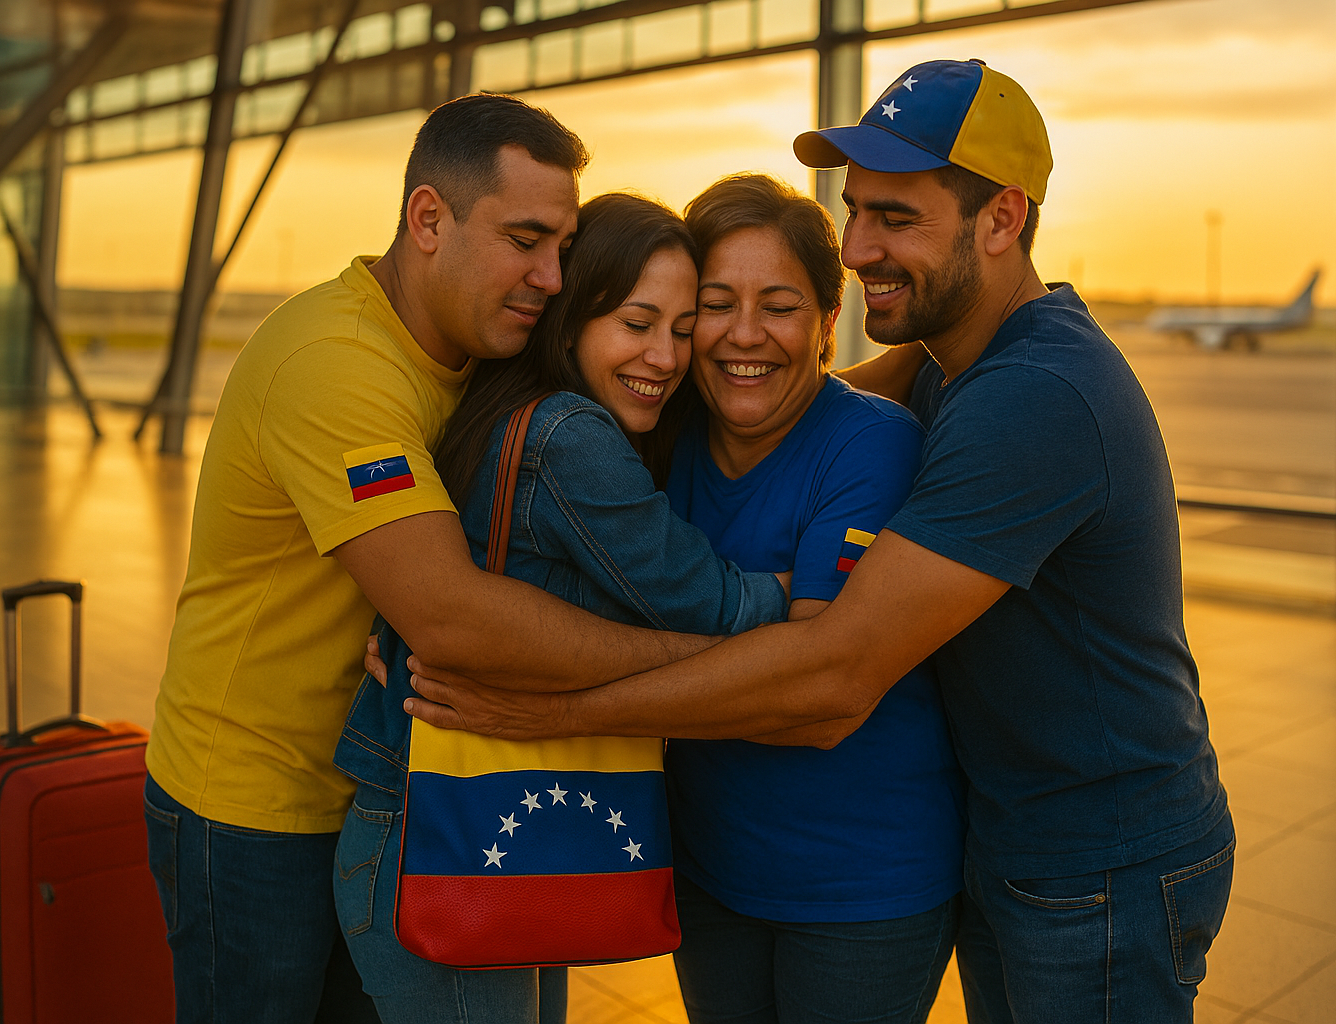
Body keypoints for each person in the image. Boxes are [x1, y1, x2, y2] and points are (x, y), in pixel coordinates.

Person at [402, 60, 1234, 1024]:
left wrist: (546, 711)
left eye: (897, 217)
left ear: (1003, 219)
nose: (859, 244)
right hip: (1006, 836)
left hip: (1101, 857)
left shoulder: (1032, 396)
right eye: (857, 211)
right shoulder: (958, 366)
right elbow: (840, 393)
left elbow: (830, 681)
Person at [142, 92, 597, 1023]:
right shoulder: (336, 364)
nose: (551, 277)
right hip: (251, 806)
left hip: (376, 792)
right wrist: (704, 654)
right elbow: (448, 615)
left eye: (563, 247)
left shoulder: (478, 349)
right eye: (524, 239)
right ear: (428, 219)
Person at [329, 192, 792, 1023]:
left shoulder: (508, 411)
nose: (666, 355)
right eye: (636, 322)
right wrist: (791, 599)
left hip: (477, 829)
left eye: (684, 330)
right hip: (451, 836)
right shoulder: (568, 437)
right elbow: (707, 599)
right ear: (572, 319)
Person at [664, 174, 963, 1024]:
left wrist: (565, 689)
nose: (745, 336)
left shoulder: (871, 445)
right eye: (716, 305)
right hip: (708, 869)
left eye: (781, 306)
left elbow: (810, 698)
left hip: (861, 890)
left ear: (829, 323)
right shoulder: (662, 439)